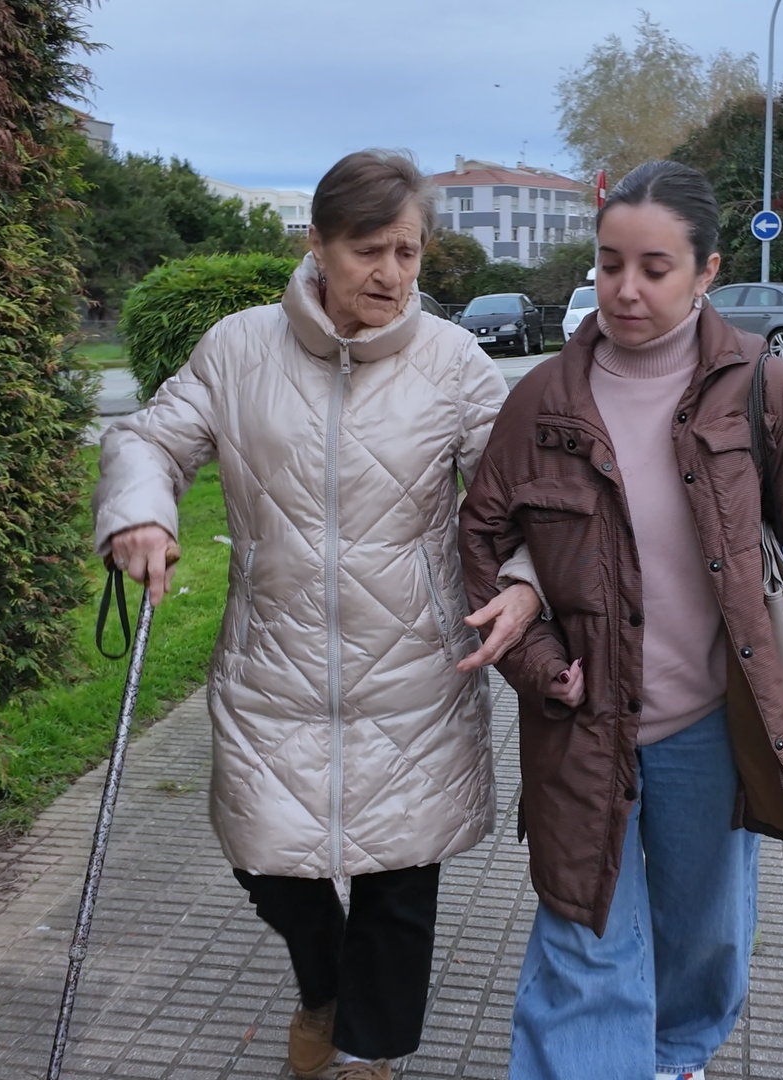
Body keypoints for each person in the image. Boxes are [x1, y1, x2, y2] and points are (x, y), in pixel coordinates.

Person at [93, 149, 542, 1080]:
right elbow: (150, 437)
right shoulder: (238, 348)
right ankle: (326, 990)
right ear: (318, 246)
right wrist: (141, 510)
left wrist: (529, 581)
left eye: (408, 253)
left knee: (400, 886)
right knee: (271, 865)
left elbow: (525, 495)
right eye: (369, 249)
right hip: (273, 663)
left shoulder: (454, 363)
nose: (389, 274)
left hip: (417, 666)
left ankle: (368, 1054)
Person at [457, 160, 783, 1080]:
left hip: (710, 718)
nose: (625, 289)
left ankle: (674, 1055)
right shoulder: (544, 402)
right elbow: (479, 542)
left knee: (705, 933)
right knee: (585, 939)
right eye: (610, 263)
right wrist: (536, 660)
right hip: (583, 718)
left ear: (706, 271)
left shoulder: (765, 395)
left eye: (654, 267)